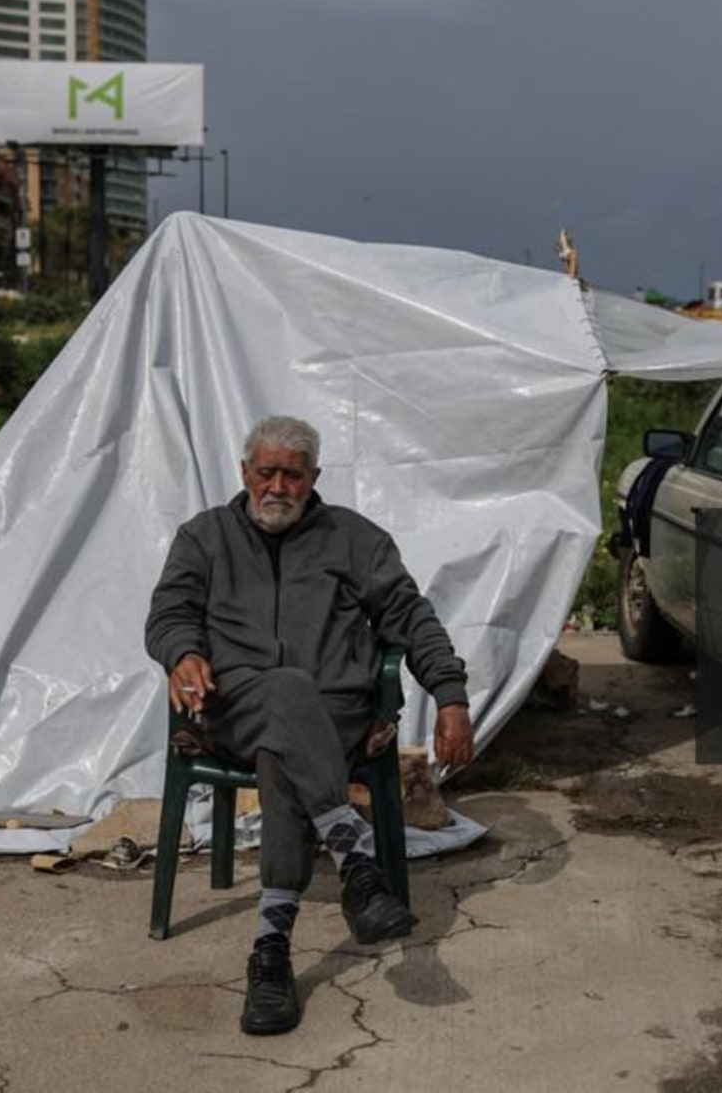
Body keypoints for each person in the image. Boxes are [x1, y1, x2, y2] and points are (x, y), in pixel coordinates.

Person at [145, 415, 476, 1036]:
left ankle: (270, 953)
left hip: (337, 713)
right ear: (244, 473)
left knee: (285, 750)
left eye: (291, 475)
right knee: (284, 695)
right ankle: (356, 860)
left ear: (313, 478)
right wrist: (182, 651)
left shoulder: (354, 540)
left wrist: (451, 696)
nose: (277, 486)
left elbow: (412, 618)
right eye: (265, 472)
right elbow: (169, 612)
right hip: (234, 706)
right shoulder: (204, 537)